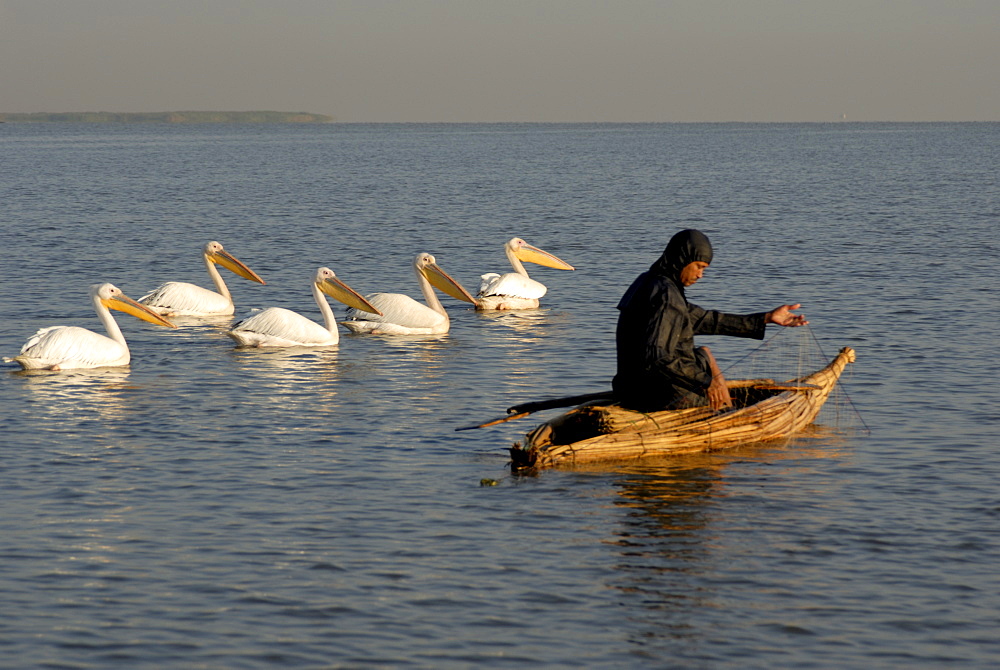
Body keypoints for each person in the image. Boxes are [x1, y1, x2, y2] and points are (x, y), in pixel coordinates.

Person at [613, 229, 808, 412]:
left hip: (632, 386)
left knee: (704, 354)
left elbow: (706, 320)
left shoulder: (652, 282)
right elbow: (658, 357)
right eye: (699, 267)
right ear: (683, 259)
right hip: (652, 394)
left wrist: (766, 318)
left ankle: (722, 400)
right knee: (719, 402)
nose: (700, 275)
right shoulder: (665, 295)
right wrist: (706, 382)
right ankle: (726, 415)